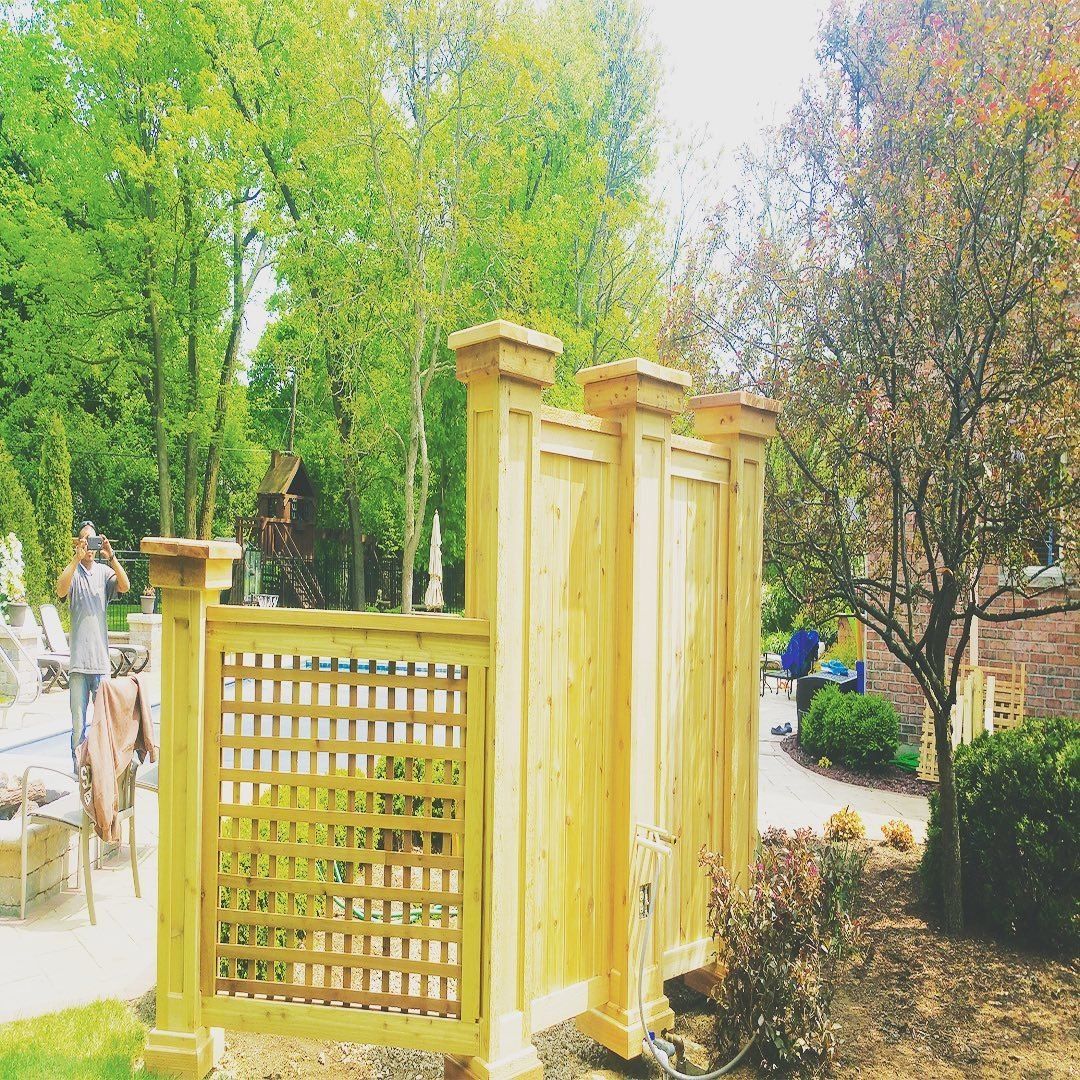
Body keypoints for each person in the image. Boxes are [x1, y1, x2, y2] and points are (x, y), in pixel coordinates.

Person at [56, 521, 130, 772]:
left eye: (93, 541)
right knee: (78, 723)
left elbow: (125, 586)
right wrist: (75, 560)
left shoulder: (103, 572)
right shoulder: (73, 573)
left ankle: (101, 768)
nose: (90, 547)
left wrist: (112, 557)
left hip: (100, 664)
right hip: (78, 664)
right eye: (85, 541)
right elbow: (60, 589)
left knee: (103, 722)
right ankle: (78, 772)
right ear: (79, 544)